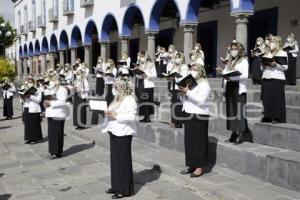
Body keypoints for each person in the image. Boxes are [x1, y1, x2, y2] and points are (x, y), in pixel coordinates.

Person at [102, 78, 137, 199]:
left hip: (123, 133)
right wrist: (107, 113)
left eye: (117, 86)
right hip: (113, 131)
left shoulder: (130, 99)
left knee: (123, 161)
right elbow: (111, 112)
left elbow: (132, 117)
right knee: (115, 161)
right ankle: (116, 185)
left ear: (123, 87)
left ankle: (124, 189)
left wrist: (116, 116)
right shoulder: (116, 98)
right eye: (114, 86)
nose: (115, 88)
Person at [179, 63, 211, 178]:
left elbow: (201, 101)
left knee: (199, 142)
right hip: (189, 113)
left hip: (199, 115)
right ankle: (192, 165)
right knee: (190, 141)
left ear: (201, 71)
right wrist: (182, 94)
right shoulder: (191, 84)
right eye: (191, 69)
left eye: (195, 69)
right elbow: (186, 100)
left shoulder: (205, 84)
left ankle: (199, 167)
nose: (192, 71)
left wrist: (187, 92)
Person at [217, 41, 249, 144]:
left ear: (239, 50)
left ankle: (240, 134)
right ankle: (233, 133)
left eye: (235, 49)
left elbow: (245, 75)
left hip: (238, 88)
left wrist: (231, 77)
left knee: (239, 112)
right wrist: (223, 72)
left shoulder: (243, 61)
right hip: (230, 87)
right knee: (231, 112)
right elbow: (226, 74)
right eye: (231, 49)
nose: (233, 51)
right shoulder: (229, 61)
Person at [261, 36, 288, 123]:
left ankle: (277, 117)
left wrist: (276, 64)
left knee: (277, 98)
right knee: (266, 98)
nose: (271, 43)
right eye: (270, 42)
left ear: (277, 43)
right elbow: (261, 67)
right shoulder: (267, 53)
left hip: (277, 78)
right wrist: (264, 65)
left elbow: (285, 67)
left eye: (273, 42)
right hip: (266, 77)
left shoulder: (282, 53)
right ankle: (267, 116)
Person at [44, 75, 68, 158]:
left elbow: (63, 102)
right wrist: (46, 103)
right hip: (51, 114)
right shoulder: (51, 89)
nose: (51, 82)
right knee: (51, 134)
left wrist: (51, 103)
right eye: (51, 80)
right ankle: (52, 150)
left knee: (57, 134)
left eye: (53, 80)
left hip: (58, 115)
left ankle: (57, 152)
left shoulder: (62, 89)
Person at [167, 52, 189, 128]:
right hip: (173, 87)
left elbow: (184, 77)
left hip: (179, 88)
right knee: (173, 105)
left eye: (178, 57)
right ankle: (174, 121)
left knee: (178, 105)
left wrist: (175, 78)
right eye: (176, 57)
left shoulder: (184, 66)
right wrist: (169, 77)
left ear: (182, 58)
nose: (177, 59)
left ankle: (178, 123)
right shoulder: (174, 66)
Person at [134, 51, 157, 123]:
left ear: (146, 56)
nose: (141, 58)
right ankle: (144, 116)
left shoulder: (151, 64)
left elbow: (155, 75)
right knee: (142, 100)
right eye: (140, 56)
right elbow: (138, 76)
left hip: (148, 84)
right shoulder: (140, 64)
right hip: (141, 83)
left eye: (142, 56)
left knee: (147, 100)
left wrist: (147, 75)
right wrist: (137, 72)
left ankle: (148, 117)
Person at [21, 76, 43, 144]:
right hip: (27, 107)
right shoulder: (24, 87)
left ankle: (36, 138)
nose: (30, 81)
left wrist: (30, 96)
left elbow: (39, 100)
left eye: (31, 79)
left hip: (34, 107)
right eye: (28, 79)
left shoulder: (38, 89)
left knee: (34, 123)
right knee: (28, 124)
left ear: (34, 81)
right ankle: (29, 138)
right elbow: (22, 100)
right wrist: (22, 97)